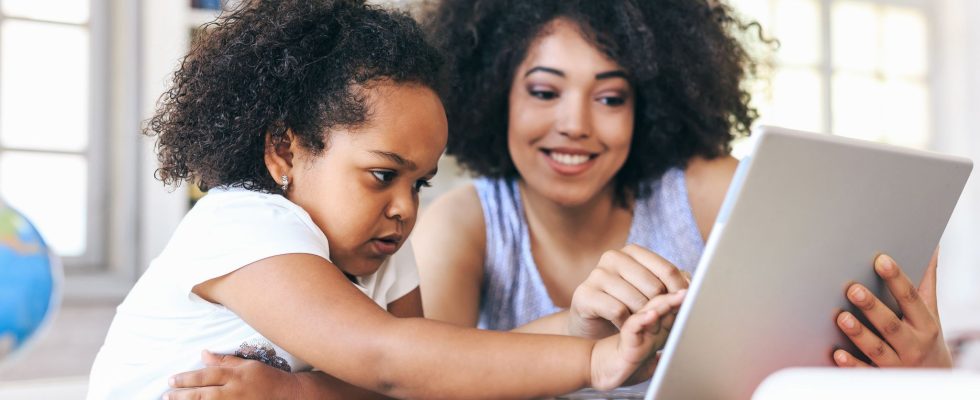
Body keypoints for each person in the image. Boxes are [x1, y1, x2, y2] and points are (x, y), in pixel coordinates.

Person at [168, 0, 952, 396]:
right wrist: (587, 344)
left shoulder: (706, 190)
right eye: (544, 90)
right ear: (494, 95)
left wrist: (929, 365)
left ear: (649, 107)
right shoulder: (460, 226)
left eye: (611, 97)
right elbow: (405, 377)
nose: (575, 125)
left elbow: (886, 243)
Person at [86, 1, 686, 399]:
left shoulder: (382, 248)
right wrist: (592, 364)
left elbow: (420, 376)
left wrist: (582, 331)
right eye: (381, 175)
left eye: (419, 183)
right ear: (284, 151)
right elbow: (388, 361)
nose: (405, 207)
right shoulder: (243, 224)